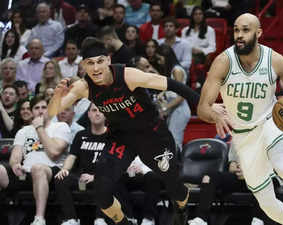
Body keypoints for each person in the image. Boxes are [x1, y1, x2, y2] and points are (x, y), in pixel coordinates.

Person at [197, 13, 283, 225]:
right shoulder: (223, 62)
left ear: (259, 33)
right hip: (244, 137)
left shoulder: (274, 60)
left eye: (245, 30)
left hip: (271, 123)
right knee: (266, 203)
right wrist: (214, 113)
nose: (239, 35)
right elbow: (202, 108)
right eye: (236, 30)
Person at [48, 37, 203, 225]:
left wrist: (205, 107)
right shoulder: (84, 86)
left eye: (99, 62)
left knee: (173, 185)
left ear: (108, 60)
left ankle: (182, 206)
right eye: (90, 63)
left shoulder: (129, 75)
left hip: (152, 135)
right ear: (84, 65)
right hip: (120, 138)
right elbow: (53, 110)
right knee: (101, 190)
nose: (95, 68)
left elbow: (174, 85)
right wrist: (56, 97)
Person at [0, 95, 72, 225]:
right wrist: (15, 164)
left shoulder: (61, 127)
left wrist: (39, 128)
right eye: (36, 108)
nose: (40, 111)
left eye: (44, 107)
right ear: (32, 111)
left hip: (53, 173)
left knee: (38, 168)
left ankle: (39, 219)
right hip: (26, 173)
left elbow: (54, 153)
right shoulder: (24, 131)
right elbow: (15, 156)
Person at [188, 143, 272, 225]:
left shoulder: (271, 134)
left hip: (264, 176)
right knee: (209, 177)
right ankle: (201, 219)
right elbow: (233, 157)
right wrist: (233, 164)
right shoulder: (240, 133)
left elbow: (275, 164)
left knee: (263, 181)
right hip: (241, 176)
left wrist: (250, 172)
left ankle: (258, 220)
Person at [54, 103, 110, 225]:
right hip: (80, 176)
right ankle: (71, 219)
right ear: (88, 114)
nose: (97, 113)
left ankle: (100, 219)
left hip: (102, 176)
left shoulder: (112, 136)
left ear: (106, 114)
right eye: (94, 110)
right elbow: (72, 156)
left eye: (101, 110)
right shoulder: (81, 135)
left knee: (108, 178)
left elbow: (114, 163)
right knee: (60, 178)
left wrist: (95, 176)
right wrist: (65, 169)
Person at [155, 44, 191, 150]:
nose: (158, 61)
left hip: (180, 109)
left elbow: (181, 96)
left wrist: (165, 108)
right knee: (170, 140)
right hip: (174, 109)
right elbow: (173, 90)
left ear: (166, 57)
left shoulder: (177, 71)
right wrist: (163, 94)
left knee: (175, 140)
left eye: (159, 58)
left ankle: (178, 165)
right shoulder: (171, 70)